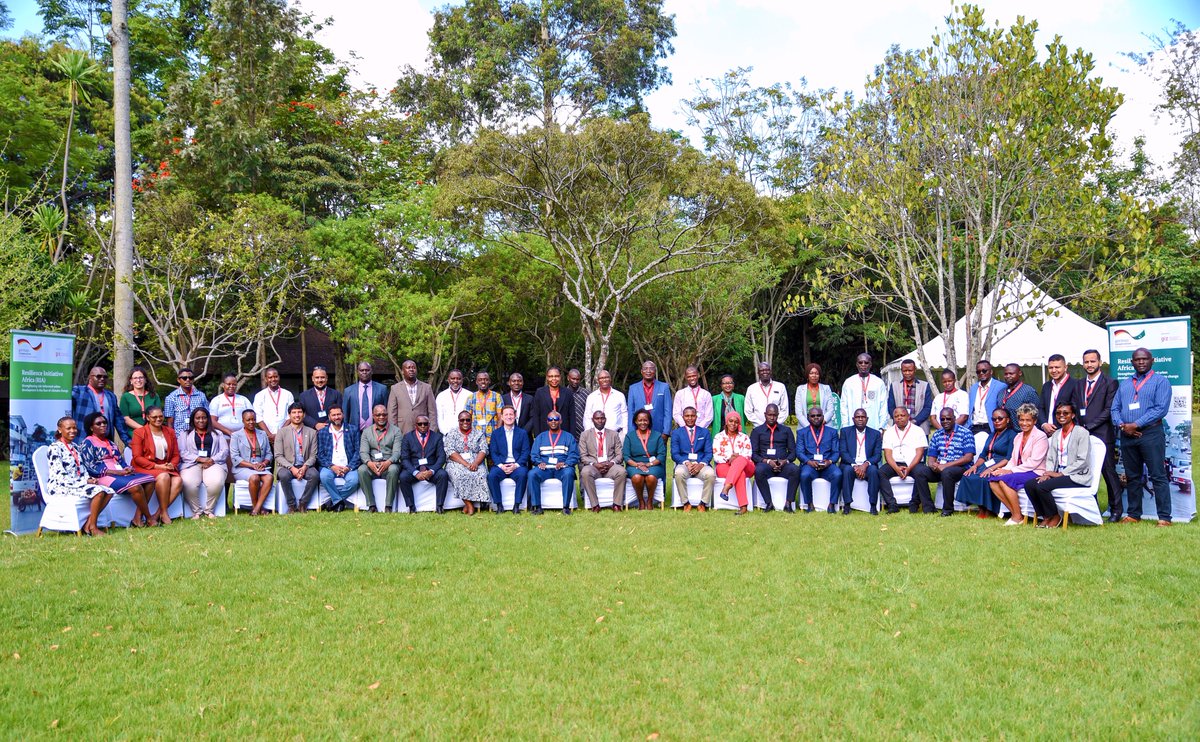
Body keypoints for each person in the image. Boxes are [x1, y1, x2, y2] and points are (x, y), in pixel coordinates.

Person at [1111, 347, 1174, 526]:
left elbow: (1161, 408)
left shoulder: (1161, 382)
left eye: (1144, 359)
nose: (1141, 362)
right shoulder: (1124, 383)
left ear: (1151, 360)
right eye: (1137, 359)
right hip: (1127, 435)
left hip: (1151, 434)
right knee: (1132, 476)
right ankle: (1133, 514)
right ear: (1132, 362)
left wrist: (1136, 424)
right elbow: (1115, 408)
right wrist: (1123, 425)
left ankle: (1164, 518)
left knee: (1157, 475)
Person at [80, 412, 155, 527]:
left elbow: (120, 461)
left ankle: (137, 517)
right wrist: (117, 472)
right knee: (135, 486)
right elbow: (90, 468)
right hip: (103, 476)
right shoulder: (87, 443)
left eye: (104, 423)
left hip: (120, 474)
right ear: (91, 428)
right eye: (98, 423)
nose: (103, 425)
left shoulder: (109, 442)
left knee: (150, 480)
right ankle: (149, 518)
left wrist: (127, 468)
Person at [1025, 402, 1092, 528]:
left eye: (1065, 413)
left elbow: (1082, 461)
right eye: (1058, 413)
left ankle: (1055, 516)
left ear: (1072, 415)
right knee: (1030, 485)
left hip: (1075, 475)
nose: (1061, 415)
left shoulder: (1081, 432)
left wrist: (1061, 474)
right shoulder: (1056, 434)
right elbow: (1050, 458)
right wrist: (1048, 473)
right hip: (1057, 473)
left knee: (1042, 487)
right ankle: (1045, 516)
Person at [46, 416, 115, 536]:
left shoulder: (75, 448)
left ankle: (88, 524)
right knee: (98, 492)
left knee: (109, 491)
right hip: (61, 486)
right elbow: (60, 475)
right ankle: (93, 528)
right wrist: (84, 483)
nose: (72, 431)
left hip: (77, 484)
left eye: (74, 428)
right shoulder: (54, 448)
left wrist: (89, 479)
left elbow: (82, 470)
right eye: (68, 428)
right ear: (60, 430)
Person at [1077, 349, 1121, 520]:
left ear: (1100, 362)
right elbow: (1075, 406)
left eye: (1092, 361)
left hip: (1103, 434)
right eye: (1086, 362)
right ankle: (1091, 507)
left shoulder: (1110, 383)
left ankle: (1116, 510)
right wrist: (1081, 428)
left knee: (1108, 472)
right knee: (1085, 472)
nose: (1089, 365)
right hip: (1082, 435)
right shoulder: (1079, 384)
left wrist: (1090, 426)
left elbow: (1109, 409)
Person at [988, 403, 1048, 526]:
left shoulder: (1040, 436)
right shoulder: (1018, 437)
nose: (1024, 423)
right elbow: (1013, 460)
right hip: (1020, 470)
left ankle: (1016, 517)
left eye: (1028, 420)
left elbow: (1033, 462)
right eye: (1021, 420)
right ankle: (1016, 513)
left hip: (1036, 471)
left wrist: (1010, 471)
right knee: (993, 479)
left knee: (1004, 480)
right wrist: (1002, 469)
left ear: (1035, 421)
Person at [954, 408, 1017, 518]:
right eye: (994, 419)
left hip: (1001, 465)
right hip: (987, 463)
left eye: (1000, 419)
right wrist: (974, 466)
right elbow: (983, 455)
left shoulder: (1012, 435)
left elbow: (1009, 458)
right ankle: (980, 507)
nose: (997, 421)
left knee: (983, 479)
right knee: (968, 476)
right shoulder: (992, 434)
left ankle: (989, 509)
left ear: (1007, 420)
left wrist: (991, 469)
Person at [130, 405, 182, 525]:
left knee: (178, 480)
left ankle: (158, 514)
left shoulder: (170, 432)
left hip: (165, 466)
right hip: (144, 467)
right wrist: (159, 467)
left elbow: (175, 454)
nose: (158, 419)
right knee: (164, 476)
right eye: (154, 417)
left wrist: (172, 464)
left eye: (160, 416)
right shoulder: (139, 432)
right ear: (148, 417)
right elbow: (137, 458)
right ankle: (164, 513)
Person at [878, 407, 933, 514]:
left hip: (914, 462)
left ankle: (914, 504)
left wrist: (909, 468)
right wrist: (897, 469)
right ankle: (892, 504)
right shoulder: (889, 432)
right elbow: (888, 455)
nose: (899, 418)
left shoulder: (918, 430)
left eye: (902, 415)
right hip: (895, 462)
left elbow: (919, 453)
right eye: (896, 416)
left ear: (908, 416)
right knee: (881, 473)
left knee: (921, 472)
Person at [925, 407, 976, 517]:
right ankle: (928, 507)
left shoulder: (965, 433)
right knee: (920, 471)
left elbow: (968, 458)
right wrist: (933, 465)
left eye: (948, 419)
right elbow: (931, 457)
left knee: (947, 472)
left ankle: (947, 509)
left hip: (961, 468)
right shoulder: (937, 434)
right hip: (940, 467)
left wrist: (945, 466)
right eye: (942, 419)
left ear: (954, 418)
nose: (945, 422)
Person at [178, 407, 228, 518]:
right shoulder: (185, 434)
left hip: (214, 463)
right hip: (192, 463)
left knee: (216, 481)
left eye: (204, 418)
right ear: (193, 420)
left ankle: (209, 510)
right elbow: (181, 451)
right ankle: (197, 511)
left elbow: (224, 451)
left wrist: (212, 459)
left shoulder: (217, 433)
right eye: (198, 418)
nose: (201, 420)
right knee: (187, 482)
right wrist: (199, 459)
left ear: (208, 419)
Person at [750, 403, 799, 512]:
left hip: (782, 464)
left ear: (778, 415)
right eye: (769, 415)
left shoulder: (786, 431)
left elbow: (793, 453)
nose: (772, 417)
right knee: (758, 471)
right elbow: (753, 454)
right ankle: (768, 503)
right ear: (765, 414)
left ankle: (788, 503)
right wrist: (767, 461)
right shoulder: (757, 431)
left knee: (795, 470)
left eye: (774, 415)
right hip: (765, 465)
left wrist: (785, 461)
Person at [529, 411, 580, 515]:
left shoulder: (568, 437)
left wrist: (565, 463)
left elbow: (574, 455)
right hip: (545, 468)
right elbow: (533, 455)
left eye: (556, 419)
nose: (553, 422)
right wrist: (539, 462)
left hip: (562, 468)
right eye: (550, 419)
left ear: (560, 421)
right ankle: (537, 507)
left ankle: (566, 507)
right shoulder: (540, 437)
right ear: (547, 422)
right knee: (532, 474)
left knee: (568, 473)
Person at [398, 414, 448, 513]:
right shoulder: (407, 437)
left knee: (443, 475)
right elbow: (404, 459)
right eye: (420, 424)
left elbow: (442, 457)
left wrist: (432, 471)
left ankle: (439, 506)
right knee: (403, 477)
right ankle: (411, 507)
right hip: (414, 468)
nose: (423, 426)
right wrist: (415, 472)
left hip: (431, 468)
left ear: (429, 425)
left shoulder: (437, 437)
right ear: (415, 425)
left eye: (425, 424)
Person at [579, 410, 627, 512]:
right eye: (597, 418)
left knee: (622, 471)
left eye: (602, 418)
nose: (600, 421)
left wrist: (611, 463)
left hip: (610, 466)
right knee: (585, 472)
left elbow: (619, 454)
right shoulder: (585, 435)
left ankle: (617, 504)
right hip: (594, 467)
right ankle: (595, 505)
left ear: (605, 420)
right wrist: (594, 464)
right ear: (593, 420)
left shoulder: (613, 434)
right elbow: (583, 456)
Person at [796, 407, 842, 513]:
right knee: (804, 475)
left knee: (838, 474)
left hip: (827, 465)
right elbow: (799, 452)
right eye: (813, 416)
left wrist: (829, 462)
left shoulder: (832, 432)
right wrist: (808, 462)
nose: (816, 418)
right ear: (808, 418)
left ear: (823, 416)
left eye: (818, 415)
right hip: (810, 464)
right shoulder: (802, 433)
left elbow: (836, 452)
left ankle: (832, 504)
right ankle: (809, 504)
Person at [316, 405, 362, 510]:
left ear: (343, 415)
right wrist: (332, 466)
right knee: (324, 477)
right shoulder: (322, 432)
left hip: (348, 466)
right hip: (330, 467)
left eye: (339, 414)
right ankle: (339, 501)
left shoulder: (353, 430)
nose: (337, 417)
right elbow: (320, 454)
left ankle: (334, 501)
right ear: (329, 417)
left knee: (355, 480)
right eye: (334, 415)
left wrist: (348, 467)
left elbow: (358, 452)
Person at [274, 402, 318, 512]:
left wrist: (304, 467)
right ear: (289, 415)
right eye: (294, 412)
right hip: (287, 466)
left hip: (305, 465)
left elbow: (313, 455)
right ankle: (291, 505)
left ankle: (303, 503)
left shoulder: (312, 432)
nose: (297, 415)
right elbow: (278, 455)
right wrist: (292, 468)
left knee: (315, 475)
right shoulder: (281, 432)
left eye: (299, 412)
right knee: (283, 475)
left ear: (304, 414)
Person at [445, 411, 490, 516]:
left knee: (481, 474)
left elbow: (483, 450)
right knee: (458, 475)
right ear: (458, 421)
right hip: (456, 462)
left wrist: (475, 463)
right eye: (462, 420)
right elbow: (450, 451)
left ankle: (470, 504)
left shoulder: (478, 433)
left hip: (476, 461)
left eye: (467, 420)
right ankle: (469, 505)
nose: (465, 422)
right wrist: (466, 464)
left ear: (471, 420)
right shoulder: (452, 433)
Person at [230, 409, 275, 516]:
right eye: (248, 420)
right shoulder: (236, 435)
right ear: (243, 421)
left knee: (270, 477)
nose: (251, 422)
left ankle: (256, 509)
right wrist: (252, 465)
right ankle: (257, 508)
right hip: (242, 468)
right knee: (254, 477)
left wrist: (264, 463)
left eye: (253, 419)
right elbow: (235, 457)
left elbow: (269, 454)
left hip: (260, 467)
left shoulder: (262, 434)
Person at [358, 405, 402, 512]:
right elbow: (363, 452)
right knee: (361, 470)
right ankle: (371, 505)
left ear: (387, 416)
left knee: (393, 470)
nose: (381, 417)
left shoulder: (396, 431)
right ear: (373, 416)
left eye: (384, 414)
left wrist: (387, 463)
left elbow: (397, 453)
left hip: (389, 464)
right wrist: (369, 464)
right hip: (372, 464)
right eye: (378, 415)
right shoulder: (366, 432)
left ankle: (388, 505)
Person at [839, 408, 883, 514]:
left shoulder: (875, 434)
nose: (860, 419)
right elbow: (843, 452)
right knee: (847, 470)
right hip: (850, 464)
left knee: (873, 471)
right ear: (853, 419)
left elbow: (877, 455)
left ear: (867, 419)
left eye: (862, 417)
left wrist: (865, 464)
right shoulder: (845, 432)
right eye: (857, 417)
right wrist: (855, 465)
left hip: (867, 465)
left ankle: (873, 505)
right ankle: (847, 505)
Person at [72, 366, 130, 447]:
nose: (102, 379)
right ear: (90, 377)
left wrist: (127, 440)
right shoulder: (79, 391)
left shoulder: (111, 396)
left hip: (106, 441)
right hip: (83, 440)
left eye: (105, 377)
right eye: (98, 376)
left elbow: (118, 420)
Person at [671, 406, 715, 511]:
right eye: (687, 416)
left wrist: (701, 464)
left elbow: (709, 453)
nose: (690, 418)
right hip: (684, 464)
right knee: (679, 473)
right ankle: (685, 503)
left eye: (692, 416)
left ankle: (703, 503)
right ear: (683, 417)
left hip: (701, 464)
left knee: (711, 474)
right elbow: (674, 454)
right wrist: (686, 463)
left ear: (696, 417)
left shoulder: (704, 432)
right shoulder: (677, 433)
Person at [488, 405, 531, 514]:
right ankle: (499, 505)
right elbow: (493, 452)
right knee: (492, 476)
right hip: (501, 465)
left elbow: (525, 452)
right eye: (506, 414)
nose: (509, 417)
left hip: (517, 465)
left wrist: (515, 465)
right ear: (501, 417)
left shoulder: (522, 433)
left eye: (511, 414)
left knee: (522, 474)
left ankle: (516, 506)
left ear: (515, 416)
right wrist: (501, 465)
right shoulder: (496, 433)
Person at [623, 408, 666, 510]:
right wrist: (637, 465)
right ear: (635, 421)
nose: (643, 422)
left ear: (649, 421)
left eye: (645, 420)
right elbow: (626, 456)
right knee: (637, 477)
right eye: (640, 420)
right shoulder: (630, 436)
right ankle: (641, 501)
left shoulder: (657, 435)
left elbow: (661, 455)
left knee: (651, 477)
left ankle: (650, 501)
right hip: (634, 465)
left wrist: (649, 465)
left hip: (653, 465)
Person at [712, 411, 754, 515]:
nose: (733, 424)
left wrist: (737, 458)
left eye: (736, 422)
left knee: (740, 460)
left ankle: (726, 487)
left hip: (746, 466)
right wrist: (729, 458)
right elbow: (716, 456)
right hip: (724, 465)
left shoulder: (744, 437)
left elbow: (748, 455)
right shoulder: (718, 437)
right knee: (740, 474)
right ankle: (743, 506)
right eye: (731, 421)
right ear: (726, 422)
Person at [387, 359, 437, 435]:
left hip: (423, 431)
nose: (411, 369)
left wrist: (432, 431)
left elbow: (432, 412)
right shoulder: (395, 388)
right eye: (408, 367)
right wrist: (394, 433)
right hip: (402, 430)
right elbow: (391, 413)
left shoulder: (427, 388)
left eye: (413, 367)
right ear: (402, 371)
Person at [841, 353, 888, 430]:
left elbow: (883, 406)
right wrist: (846, 426)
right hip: (852, 425)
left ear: (870, 364)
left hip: (874, 424)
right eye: (860, 362)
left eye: (866, 363)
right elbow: (844, 406)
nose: (863, 365)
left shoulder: (878, 382)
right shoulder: (849, 382)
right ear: (857, 364)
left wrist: (882, 426)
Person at [627, 361, 672, 441]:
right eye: (645, 368)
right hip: (639, 431)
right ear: (641, 371)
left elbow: (668, 411)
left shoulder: (664, 387)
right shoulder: (633, 388)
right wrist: (632, 433)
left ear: (655, 371)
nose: (648, 371)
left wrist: (666, 432)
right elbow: (631, 412)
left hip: (659, 431)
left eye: (651, 368)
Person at [1039, 354, 1081, 435]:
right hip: (1046, 432)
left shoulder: (1076, 385)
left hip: (1067, 433)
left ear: (1065, 367)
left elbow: (1076, 410)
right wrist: (1044, 424)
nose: (1054, 370)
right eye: (1051, 368)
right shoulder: (1046, 386)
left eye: (1057, 367)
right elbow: (1041, 407)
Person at [886, 360, 932, 433]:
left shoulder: (925, 386)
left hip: (920, 427)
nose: (907, 373)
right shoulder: (894, 386)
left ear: (915, 370)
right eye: (905, 371)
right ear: (901, 370)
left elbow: (928, 407)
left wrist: (915, 421)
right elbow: (891, 407)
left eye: (910, 370)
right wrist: (900, 420)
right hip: (899, 427)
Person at [253, 367, 295, 446]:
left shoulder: (287, 394)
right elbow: (258, 417)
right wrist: (269, 434)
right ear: (266, 379)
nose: (273, 379)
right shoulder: (260, 395)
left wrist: (280, 433)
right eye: (270, 377)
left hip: (285, 434)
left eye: (275, 376)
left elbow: (291, 415)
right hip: (266, 436)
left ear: (279, 377)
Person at [343, 361, 389, 433]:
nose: (364, 372)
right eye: (362, 370)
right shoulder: (348, 391)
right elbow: (345, 414)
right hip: (355, 432)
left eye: (367, 370)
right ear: (358, 372)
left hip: (377, 431)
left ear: (371, 372)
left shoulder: (382, 389)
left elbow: (387, 409)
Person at [530, 367, 575, 437]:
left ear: (560, 377)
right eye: (551, 376)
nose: (554, 379)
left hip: (564, 433)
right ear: (547, 378)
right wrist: (538, 436)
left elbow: (572, 416)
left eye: (556, 376)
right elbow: (536, 416)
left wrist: (572, 436)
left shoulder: (568, 393)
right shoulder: (540, 393)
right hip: (545, 433)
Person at [163, 368, 209, 435]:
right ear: (178, 380)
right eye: (184, 378)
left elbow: (207, 416)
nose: (188, 380)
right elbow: (170, 423)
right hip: (179, 435)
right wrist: (172, 438)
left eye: (191, 378)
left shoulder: (201, 396)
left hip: (199, 435)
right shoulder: (171, 398)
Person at [298, 365, 343, 431]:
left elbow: (340, 412)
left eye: (322, 377)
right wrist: (315, 424)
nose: (320, 380)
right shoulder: (304, 396)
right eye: (317, 377)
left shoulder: (336, 394)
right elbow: (302, 414)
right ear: (312, 378)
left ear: (326, 378)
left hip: (332, 430)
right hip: (311, 430)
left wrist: (327, 424)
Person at [583, 369, 628, 437]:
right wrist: (588, 434)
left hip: (616, 435)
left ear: (610, 379)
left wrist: (625, 433)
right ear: (598, 381)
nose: (604, 380)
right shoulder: (591, 397)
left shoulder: (619, 396)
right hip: (597, 436)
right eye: (601, 378)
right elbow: (587, 416)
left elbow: (624, 414)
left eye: (606, 377)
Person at [967, 359, 1007, 435]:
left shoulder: (1000, 386)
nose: (981, 373)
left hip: (991, 427)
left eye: (984, 371)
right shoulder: (973, 388)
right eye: (978, 372)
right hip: (973, 427)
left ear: (991, 372)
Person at [119, 365, 162, 434]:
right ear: (131, 381)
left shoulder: (154, 396)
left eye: (141, 377)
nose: (138, 380)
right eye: (135, 378)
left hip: (153, 432)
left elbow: (159, 416)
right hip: (134, 433)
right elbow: (125, 418)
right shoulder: (126, 397)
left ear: (145, 380)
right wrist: (143, 429)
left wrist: (151, 430)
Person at [795, 363, 838, 431]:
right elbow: (799, 412)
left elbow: (830, 410)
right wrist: (809, 426)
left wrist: (821, 423)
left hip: (824, 424)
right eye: (811, 373)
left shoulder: (826, 388)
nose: (814, 376)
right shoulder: (800, 389)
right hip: (805, 426)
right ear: (807, 375)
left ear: (819, 375)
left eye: (816, 373)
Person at [744, 362, 788, 428]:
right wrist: (761, 425)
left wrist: (776, 423)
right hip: (758, 428)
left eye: (767, 370)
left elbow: (784, 409)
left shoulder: (780, 387)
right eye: (762, 370)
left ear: (770, 371)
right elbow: (748, 411)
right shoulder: (751, 389)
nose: (765, 372)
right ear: (758, 373)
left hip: (778, 427)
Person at [465, 371, 503, 444]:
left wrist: (498, 433)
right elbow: (467, 417)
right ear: (476, 382)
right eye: (480, 379)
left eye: (485, 379)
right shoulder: (471, 398)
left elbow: (500, 416)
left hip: (493, 437)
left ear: (489, 381)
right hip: (475, 437)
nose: (483, 381)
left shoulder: (497, 396)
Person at [672, 366, 714, 431]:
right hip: (684, 430)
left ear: (698, 375)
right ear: (685, 377)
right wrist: (686, 427)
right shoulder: (680, 394)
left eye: (694, 376)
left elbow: (709, 416)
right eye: (689, 376)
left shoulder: (706, 394)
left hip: (701, 430)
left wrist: (698, 429)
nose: (692, 378)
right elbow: (676, 414)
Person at [435, 369, 470, 436]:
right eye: (453, 378)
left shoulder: (469, 395)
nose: (455, 381)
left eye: (458, 379)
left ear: (462, 380)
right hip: (446, 435)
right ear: (448, 379)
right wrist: (446, 432)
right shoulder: (441, 396)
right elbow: (439, 417)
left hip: (466, 436)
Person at [567, 368, 590, 439]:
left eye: (577, 379)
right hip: (568, 431)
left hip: (584, 432)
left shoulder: (586, 393)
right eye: (573, 379)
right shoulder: (564, 393)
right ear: (568, 378)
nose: (575, 381)